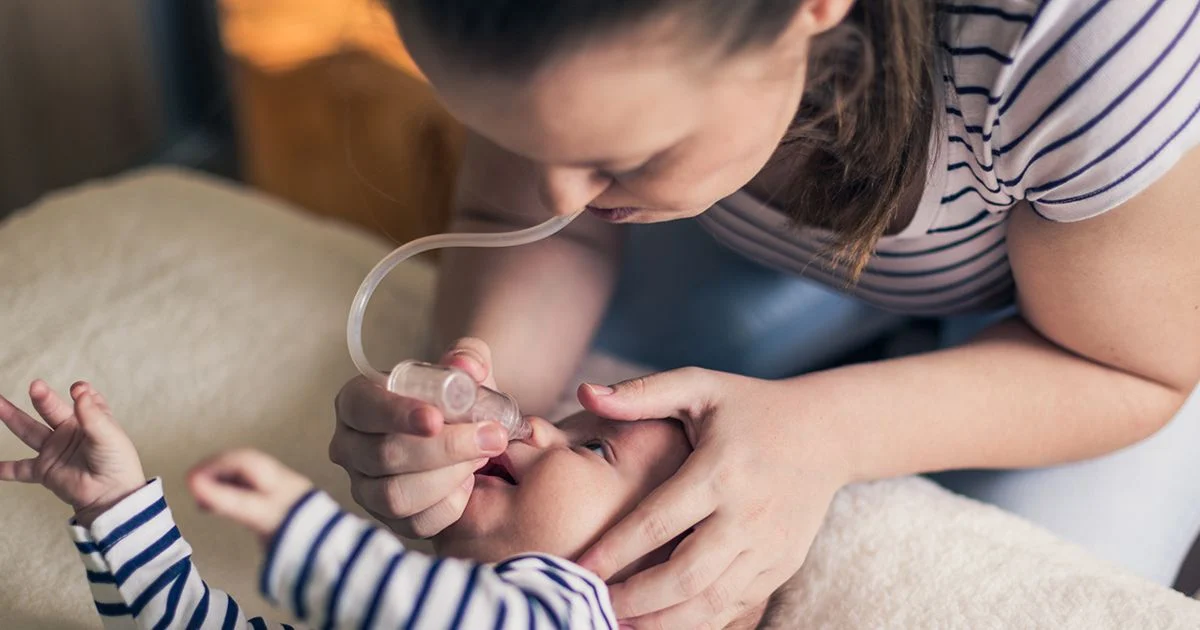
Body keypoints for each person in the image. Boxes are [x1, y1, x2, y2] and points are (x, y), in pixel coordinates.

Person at [330, 0, 1200, 627]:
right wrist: (467, 422)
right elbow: (534, 226)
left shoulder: (1081, 33)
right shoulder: (553, 44)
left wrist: (826, 433)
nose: (558, 194)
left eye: (619, 155)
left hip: (1103, 333)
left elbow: (1132, 365)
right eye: (527, 142)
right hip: (746, 246)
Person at [0, 380, 777, 629]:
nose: (537, 425)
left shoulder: (578, 607)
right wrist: (118, 512)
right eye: (571, 424)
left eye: (592, 450)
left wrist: (314, 537)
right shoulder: (416, 594)